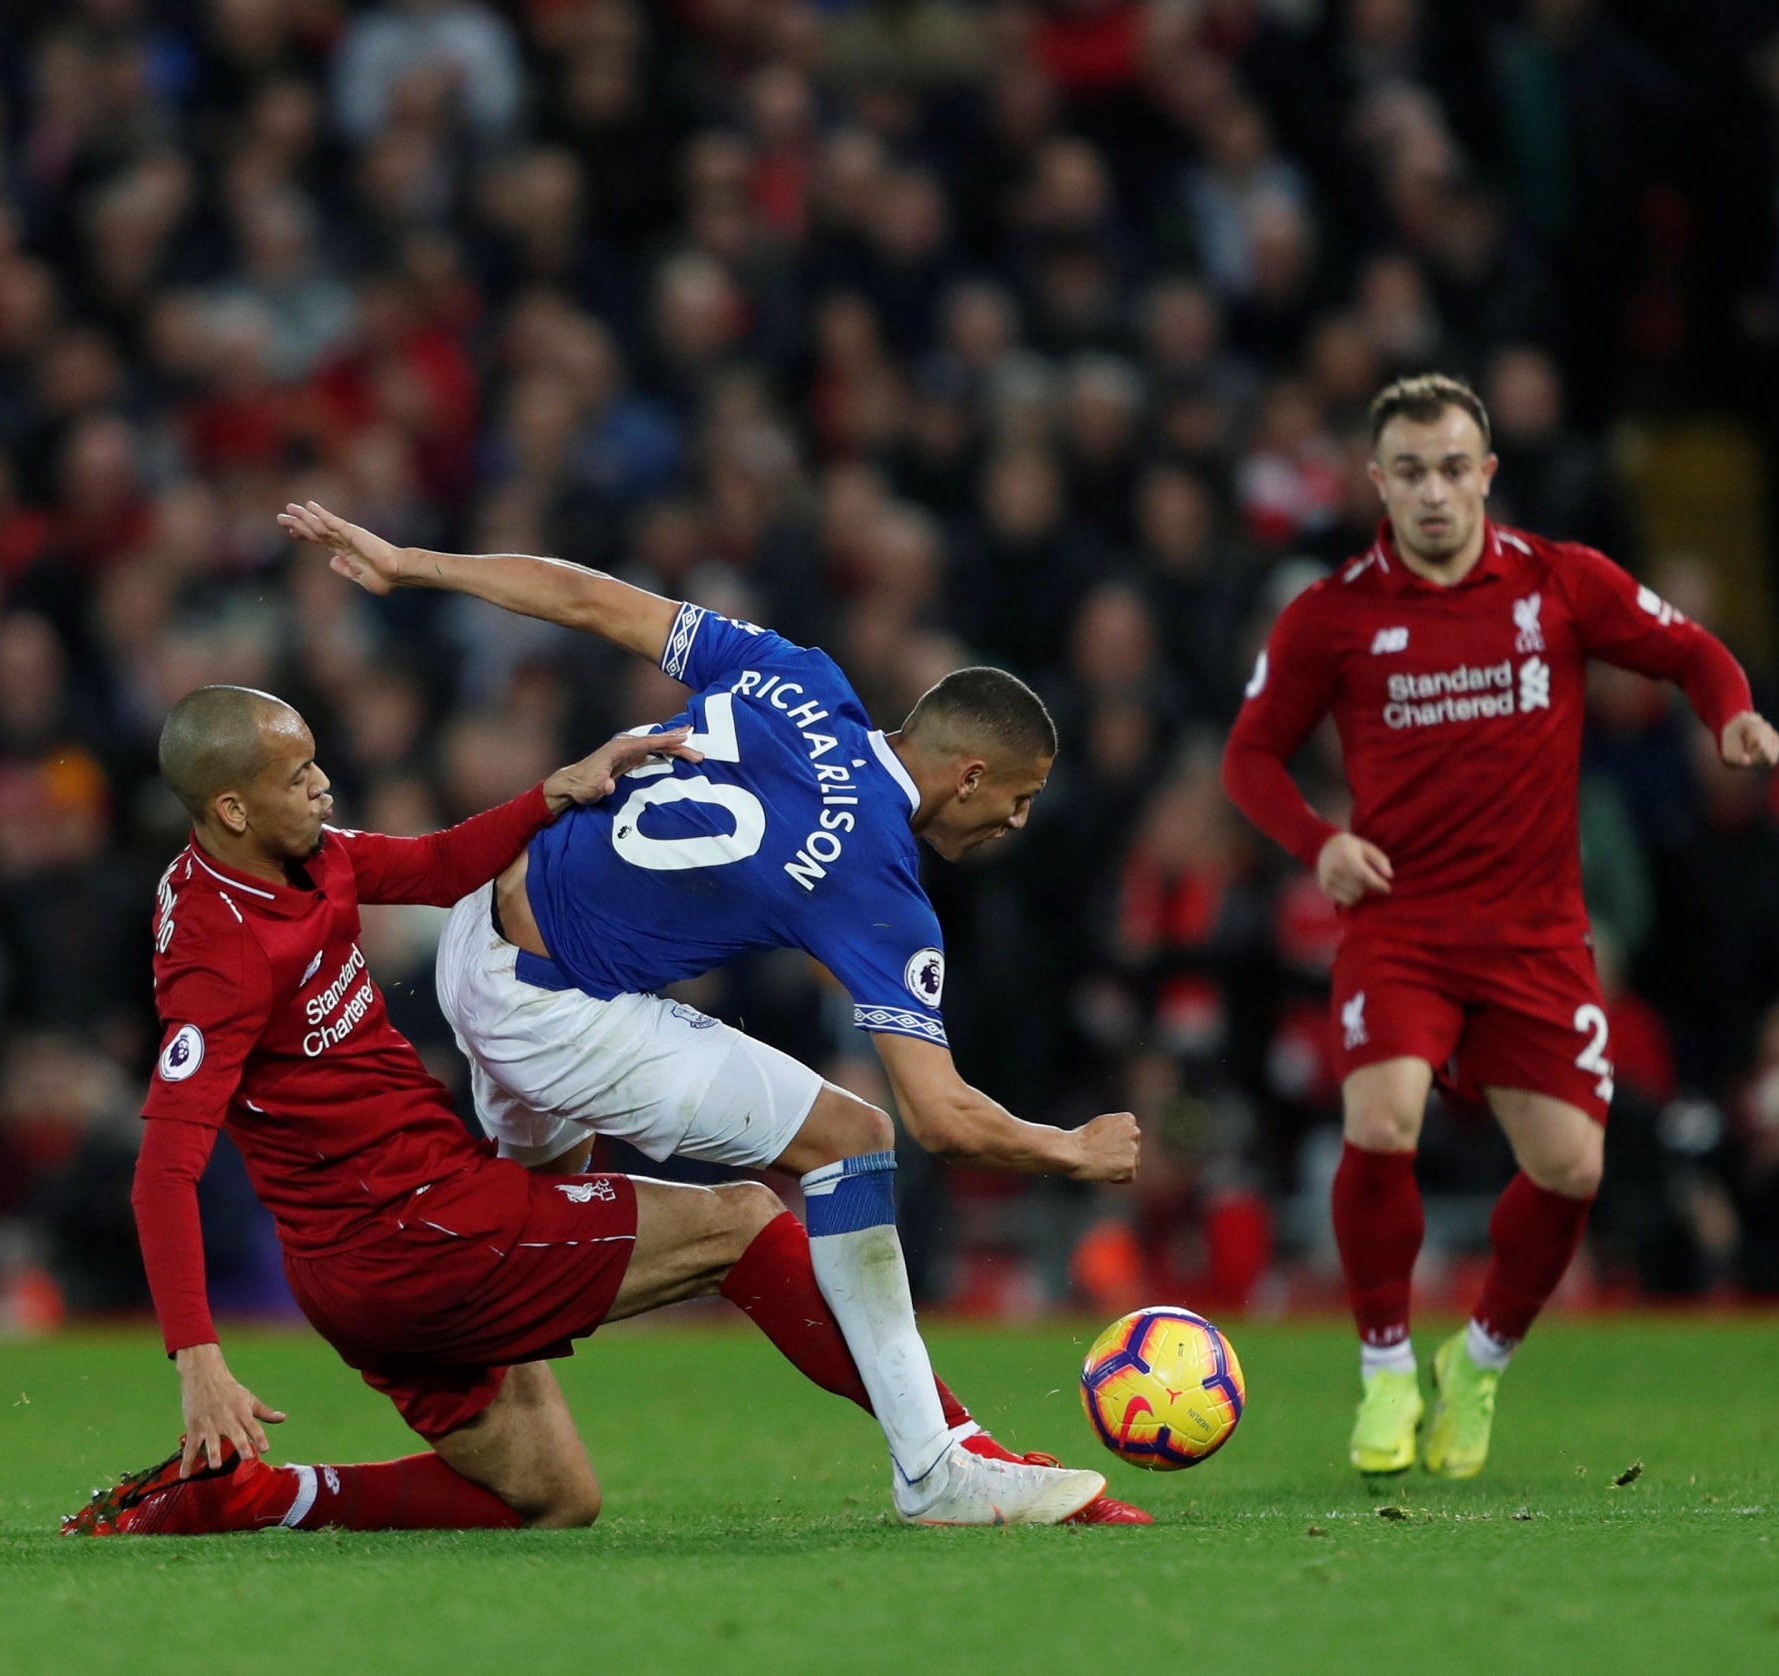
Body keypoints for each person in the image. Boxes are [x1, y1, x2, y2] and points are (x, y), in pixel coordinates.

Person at [65, 685, 1119, 1536]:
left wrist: (551, 792)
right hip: (417, 1228)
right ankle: (946, 1452)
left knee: (551, 1495)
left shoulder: (295, 857)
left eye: (314, 760)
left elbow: (432, 866)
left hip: (365, 1260)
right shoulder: (220, 954)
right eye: (297, 775)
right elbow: (162, 1163)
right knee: (742, 1219)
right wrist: (197, 1358)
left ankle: (259, 1494)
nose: (323, 782)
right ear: (231, 807)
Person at [276, 500, 1146, 1518]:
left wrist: (409, 559)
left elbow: (586, 597)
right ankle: (935, 1465)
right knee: (852, 1137)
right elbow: (941, 1118)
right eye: (1018, 794)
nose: (1017, 818)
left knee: (527, 1240)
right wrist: (1069, 1149)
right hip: (556, 1013)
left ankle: (427, 1334)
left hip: (488, 920)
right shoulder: (876, 881)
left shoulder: (800, 674)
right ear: (967, 773)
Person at [1221, 373, 1779, 1478]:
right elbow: (1248, 757)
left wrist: (1733, 714)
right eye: (1410, 471)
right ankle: (1384, 1364)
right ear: (1377, 481)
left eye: (1452, 467)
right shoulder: (1330, 614)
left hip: (1534, 935)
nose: (1433, 492)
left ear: (1486, 472)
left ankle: (1474, 1362)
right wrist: (1318, 842)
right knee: (1381, 1124)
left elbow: (1688, 650)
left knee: (1571, 1167)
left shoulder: (1558, 583)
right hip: (1402, 924)